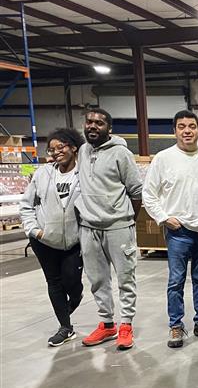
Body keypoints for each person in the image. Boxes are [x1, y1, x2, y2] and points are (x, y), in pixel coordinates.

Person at [142, 110, 198, 348]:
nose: (187, 130)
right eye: (181, 126)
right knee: (176, 280)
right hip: (178, 231)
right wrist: (164, 218)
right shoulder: (163, 158)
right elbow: (149, 194)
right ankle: (176, 325)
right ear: (174, 131)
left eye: (192, 126)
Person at [74, 108, 142, 350]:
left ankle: (126, 325)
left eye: (99, 123)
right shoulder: (82, 151)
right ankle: (107, 324)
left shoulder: (121, 154)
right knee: (97, 279)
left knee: (126, 278)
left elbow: (136, 191)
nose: (93, 126)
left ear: (109, 129)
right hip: (88, 227)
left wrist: (125, 219)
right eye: (90, 122)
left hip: (118, 226)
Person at [20, 128, 84, 346]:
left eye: (61, 147)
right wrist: (33, 230)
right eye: (52, 149)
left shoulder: (84, 173)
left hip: (74, 242)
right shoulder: (43, 173)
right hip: (44, 240)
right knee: (54, 283)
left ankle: (75, 298)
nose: (56, 152)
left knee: (72, 283)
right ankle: (65, 327)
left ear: (74, 147)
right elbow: (26, 205)